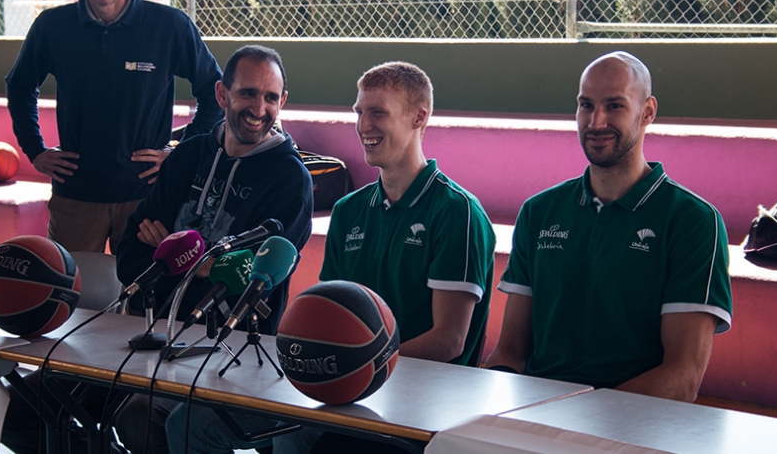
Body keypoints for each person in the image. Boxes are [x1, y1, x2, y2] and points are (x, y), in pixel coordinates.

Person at [273, 61, 496, 454]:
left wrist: (356, 366)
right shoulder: (348, 210)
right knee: (198, 422)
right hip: (346, 391)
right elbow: (326, 313)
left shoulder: (457, 211)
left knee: (296, 438)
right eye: (359, 112)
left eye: (378, 112)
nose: (363, 125)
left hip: (422, 408)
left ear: (418, 117)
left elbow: (449, 341)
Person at [485, 51, 732, 402]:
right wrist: (487, 415)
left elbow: (682, 377)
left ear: (647, 112)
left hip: (632, 425)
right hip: (536, 417)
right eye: (586, 105)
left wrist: (577, 424)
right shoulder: (539, 211)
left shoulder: (693, 221)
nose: (596, 121)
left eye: (614, 106)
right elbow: (509, 353)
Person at [112, 45, 313, 454]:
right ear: (222, 95)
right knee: (59, 394)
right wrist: (207, 266)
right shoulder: (187, 156)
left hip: (235, 351)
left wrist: (177, 254)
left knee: (143, 415)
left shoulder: (291, 180)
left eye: (271, 97)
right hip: (160, 338)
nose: (259, 108)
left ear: (282, 102)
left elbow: (253, 280)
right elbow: (130, 256)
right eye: (248, 93)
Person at [5, 0, 223, 254]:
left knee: (142, 295)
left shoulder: (169, 26)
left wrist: (180, 154)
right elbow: (19, 85)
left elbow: (215, 92)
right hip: (76, 195)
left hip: (147, 197)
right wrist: (35, 150)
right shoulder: (53, 27)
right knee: (70, 291)